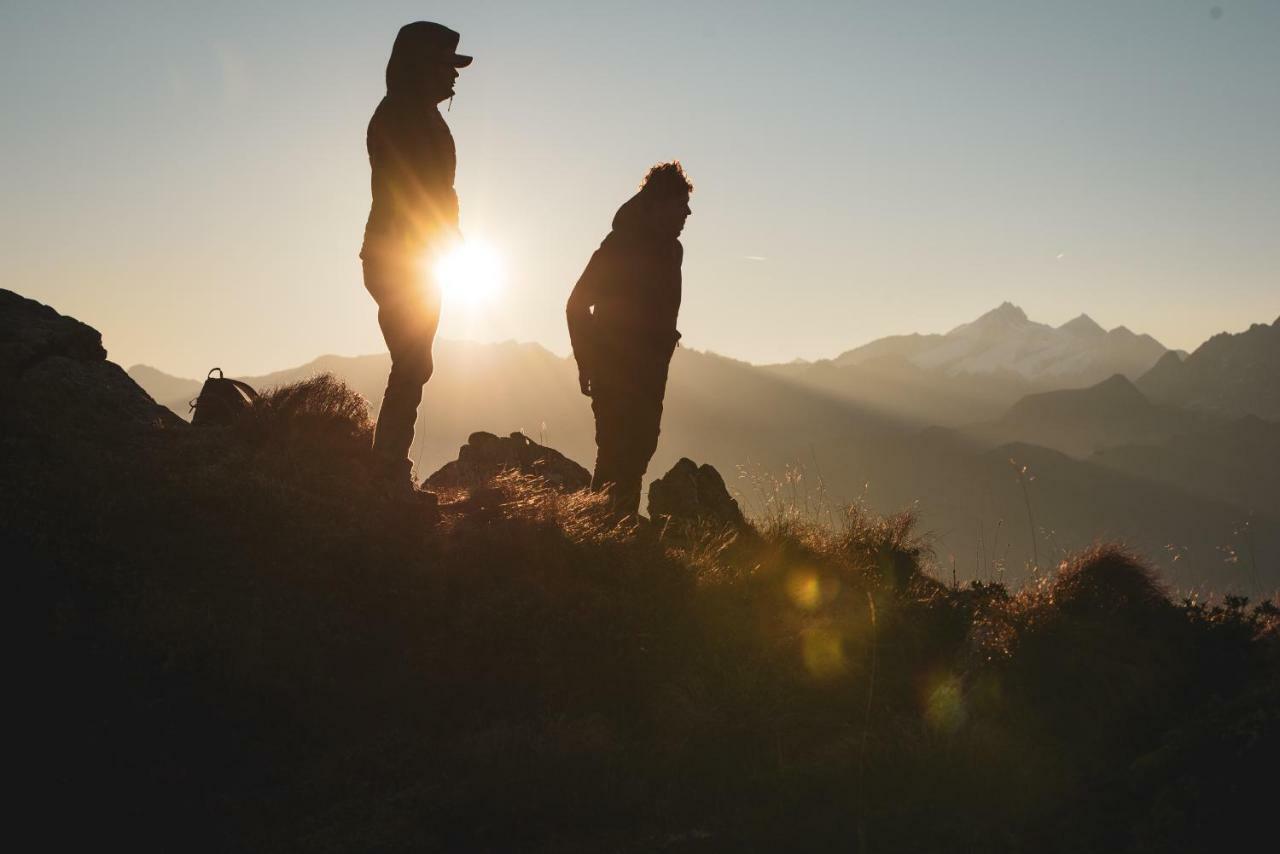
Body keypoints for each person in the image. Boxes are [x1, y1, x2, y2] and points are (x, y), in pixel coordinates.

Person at [361, 22, 471, 497]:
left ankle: (386, 467)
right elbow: (415, 191)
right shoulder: (401, 118)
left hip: (415, 257)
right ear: (421, 66)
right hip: (404, 258)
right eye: (447, 66)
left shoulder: (416, 116)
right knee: (413, 361)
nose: (454, 77)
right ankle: (384, 472)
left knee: (414, 362)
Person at [566, 162, 693, 517]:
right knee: (615, 455)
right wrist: (588, 363)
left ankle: (617, 534)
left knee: (637, 453)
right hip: (615, 373)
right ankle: (598, 537)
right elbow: (576, 304)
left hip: (651, 374)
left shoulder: (672, 251)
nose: (687, 212)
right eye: (680, 203)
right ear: (658, 203)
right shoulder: (620, 246)